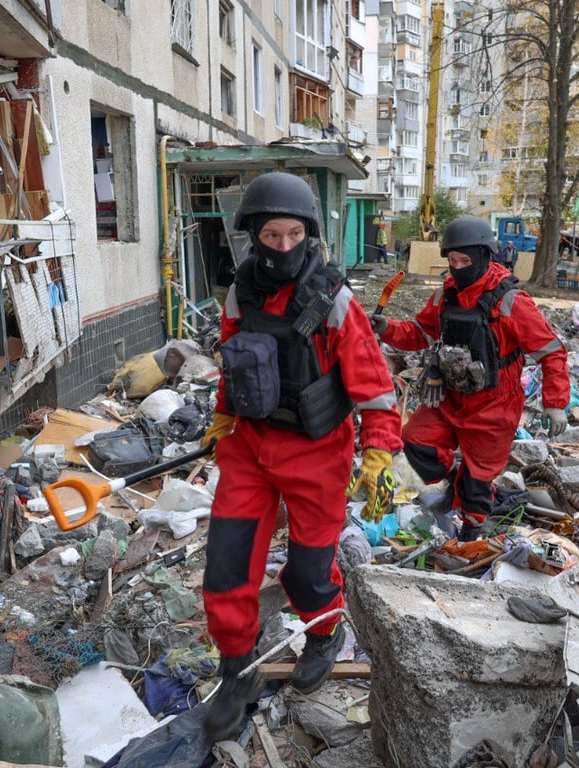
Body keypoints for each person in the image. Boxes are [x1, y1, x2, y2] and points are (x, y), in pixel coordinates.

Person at [199, 172, 403, 742]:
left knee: (310, 572)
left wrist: (380, 453)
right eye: (272, 235)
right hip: (249, 449)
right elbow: (234, 363)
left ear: (309, 234)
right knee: (226, 568)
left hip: (318, 453)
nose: (283, 246)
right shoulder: (241, 293)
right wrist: (222, 417)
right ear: (253, 235)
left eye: (294, 234)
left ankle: (323, 632)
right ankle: (236, 668)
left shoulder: (335, 301)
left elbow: (375, 386)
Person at [368, 215, 571, 541]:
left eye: (465, 261)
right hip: (448, 396)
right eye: (452, 260)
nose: (458, 267)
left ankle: (470, 535)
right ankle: (456, 479)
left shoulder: (512, 303)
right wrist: (386, 328)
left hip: (495, 404)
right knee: (415, 443)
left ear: (483, 256)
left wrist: (555, 404)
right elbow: (419, 332)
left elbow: (552, 352)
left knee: (478, 483)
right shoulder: (445, 296)